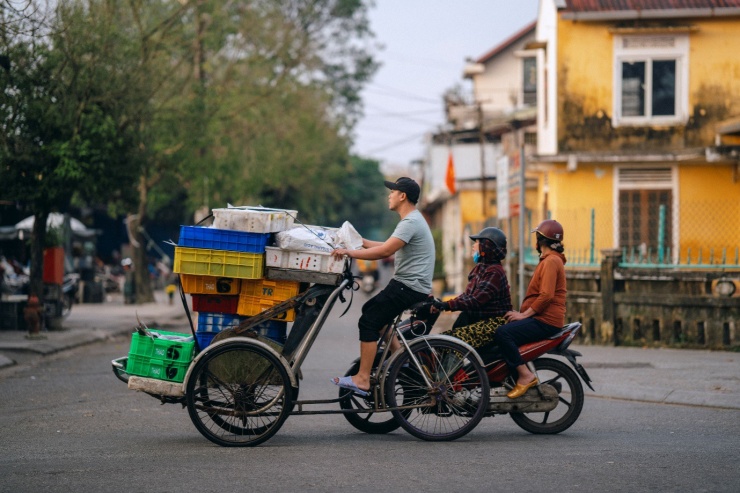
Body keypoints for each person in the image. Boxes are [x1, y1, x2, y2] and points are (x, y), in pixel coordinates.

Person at [330, 177, 435, 395]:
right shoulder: (411, 220)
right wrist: (359, 241)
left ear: (402, 196)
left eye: (392, 192)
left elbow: (385, 252)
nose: (389, 195)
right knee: (374, 313)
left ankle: (362, 379)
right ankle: (401, 361)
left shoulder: (411, 222)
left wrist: (348, 252)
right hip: (410, 285)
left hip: (409, 286)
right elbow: (388, 245)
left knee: (369, 320)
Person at [494, 219, 567, 399]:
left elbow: (546, 296)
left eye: (537, 237)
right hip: (543, 319)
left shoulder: (551, 261)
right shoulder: (550, 260)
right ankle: (514, 375)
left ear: (541, 241)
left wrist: (523, 315)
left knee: (503, 334)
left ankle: (525, 376)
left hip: (545, 321)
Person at [430, 227, 512, 349]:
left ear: (486, 247)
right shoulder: (480, 268)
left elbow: (475, 300)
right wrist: (443, 304)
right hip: (479, 320)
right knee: (443, 340)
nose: (473, 247)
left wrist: (447, 306)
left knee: (449, 343)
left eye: (477, 243)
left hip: (492, 323)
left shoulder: (494, 272)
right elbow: (467, 296)